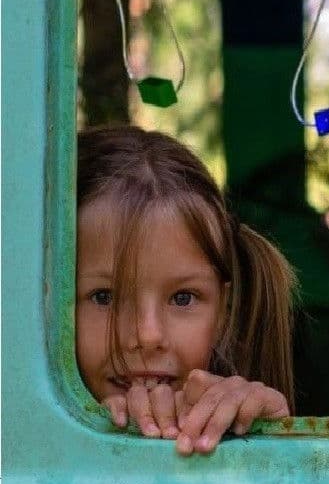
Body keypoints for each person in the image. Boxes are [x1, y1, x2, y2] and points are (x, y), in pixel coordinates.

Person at [76, 126, 297, 454]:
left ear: (222, 311)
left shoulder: (240, 420)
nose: (148, 335)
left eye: (182, 298)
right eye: (104, 297)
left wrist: (268, 442)